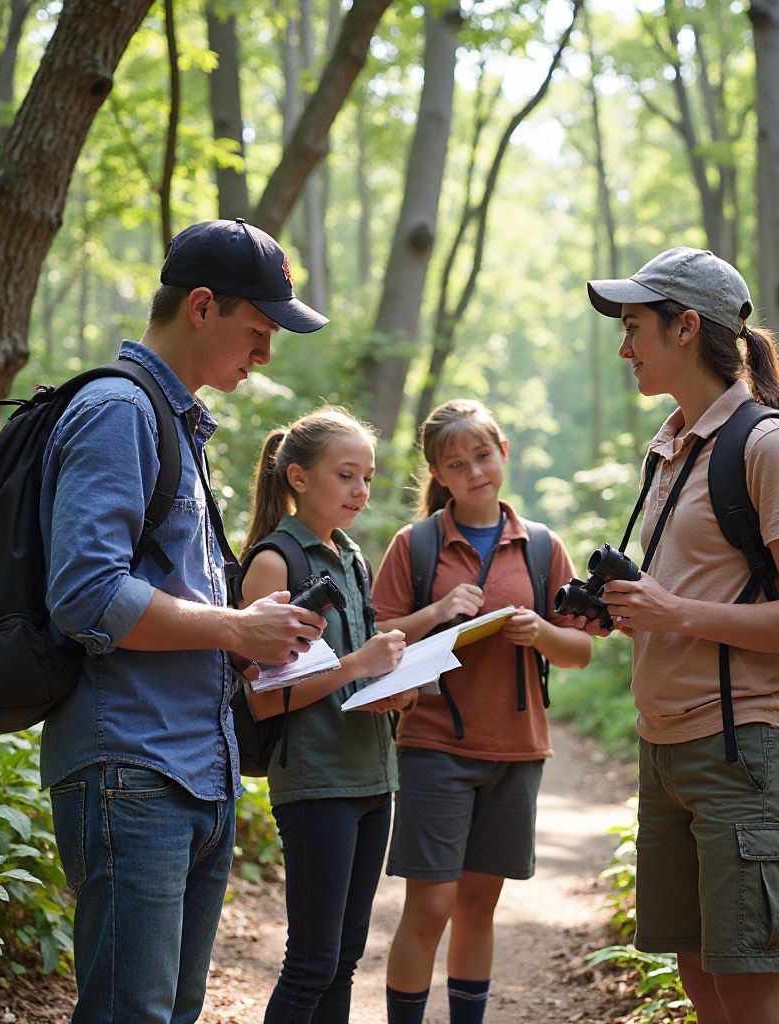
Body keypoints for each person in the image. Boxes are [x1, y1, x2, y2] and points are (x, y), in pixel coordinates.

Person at [39, 218, 330, 1024]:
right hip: (132, 767)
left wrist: (252, 636)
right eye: (258, 331)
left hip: (192, 769)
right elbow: (87, 595)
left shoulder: (176, 423)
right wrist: (235, 628)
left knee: (172, 1010)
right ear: (202, 306)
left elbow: (169, 595)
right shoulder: (118, 412)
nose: (265, 354)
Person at [582, 247, 779, 1024]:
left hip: (743, 750)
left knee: (750, 987)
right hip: (666, 746)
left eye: (634, 327)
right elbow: (694, 593)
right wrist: (624, 610)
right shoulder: (673, 445)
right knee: (699, 975)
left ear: (686, 327)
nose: (625, 349)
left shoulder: (766, 446)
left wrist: (674, 612)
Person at [371, 399, 592, 1024]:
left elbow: (580, 651)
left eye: (483, 456)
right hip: (433, 745)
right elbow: (376, 638)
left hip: (516, 748)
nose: (474, 472)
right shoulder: (414, 546)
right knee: (431, 906)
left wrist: (540, 633)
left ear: (504, 453)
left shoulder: (543, 547)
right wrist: (437, 613)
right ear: (437, 474)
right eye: (456, 464)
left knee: (477, 906)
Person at [240, 406, 408, 1024]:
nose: (361, 490)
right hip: (316, 783)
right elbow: (263, 698)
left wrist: (394, 685)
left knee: (344, 961)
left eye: (367, 477)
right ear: (299, 477)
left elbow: (354, 672)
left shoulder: (353, 557)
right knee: (311, 962)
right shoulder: (274, 562)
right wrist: (357, 665)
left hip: (373, 777)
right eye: (346, 475)